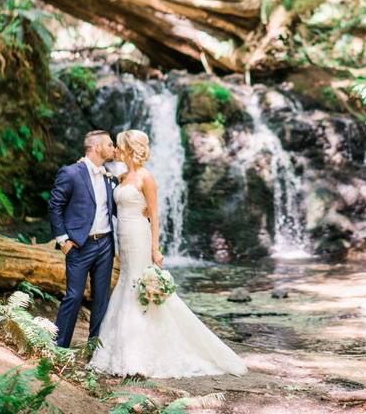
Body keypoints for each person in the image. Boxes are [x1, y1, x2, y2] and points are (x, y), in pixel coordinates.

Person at [90, 129, 247, 378]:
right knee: (126, 283)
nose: (116, 150)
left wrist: (156, 248)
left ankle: (138, 355)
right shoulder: (120, 177)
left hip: (140, 236)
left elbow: (154, 215)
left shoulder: (146, 177)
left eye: (119, 146)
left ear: (129, 149)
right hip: (124, 238)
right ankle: (120, 350)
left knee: (139, 285)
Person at [48, 129, 116, 348]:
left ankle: (94, 350)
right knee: (73, 296)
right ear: (96, 147)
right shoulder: (70, 173)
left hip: (105, 244)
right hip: (79, 245)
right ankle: (59, 348)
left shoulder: (109, 176)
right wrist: (63, 241)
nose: (113, 148)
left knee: (101, 300)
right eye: (109, 144)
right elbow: (55, 206)